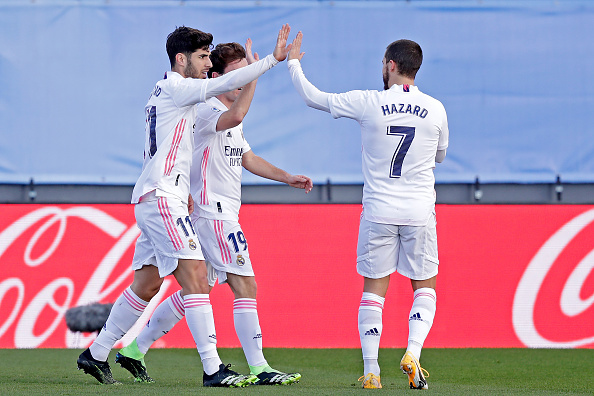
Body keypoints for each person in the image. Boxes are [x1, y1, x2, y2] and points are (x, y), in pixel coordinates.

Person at [76, 24, 293, 387]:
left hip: (162, 197)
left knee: (146, 285)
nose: (208, 65)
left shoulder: (168, 92)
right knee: (194, 274)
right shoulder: (178, 88)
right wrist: (271, 61)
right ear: (181, 59)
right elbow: (223, 88)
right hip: (164, 197)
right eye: (203, 57)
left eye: (210, 57)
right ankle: (213, 369)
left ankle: (96, 353)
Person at [287, 32, 449, 390]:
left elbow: (314, 98)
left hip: (378, 210)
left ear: (391, 66)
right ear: (415, 69)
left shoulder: (369, 102)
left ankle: (372, 370)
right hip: (419, 210)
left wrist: (293, 63)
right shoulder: (436, 108)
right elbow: (439, 155)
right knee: (424, 286)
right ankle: (413, 352)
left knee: (374, 291)